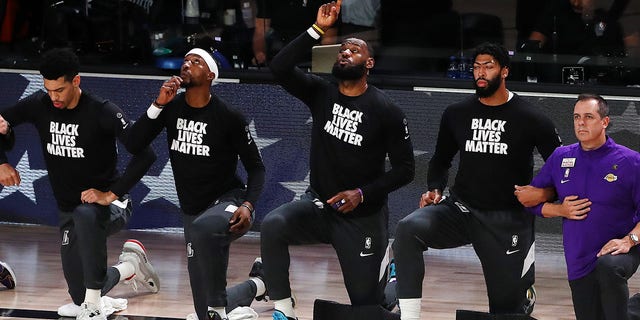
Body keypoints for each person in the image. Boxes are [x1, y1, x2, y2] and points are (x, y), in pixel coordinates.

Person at [260, 1, 415, 319]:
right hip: (319, 206)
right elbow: (279, 68)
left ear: (368, 63)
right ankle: (284, 310)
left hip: (362, 218)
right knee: (274, 225)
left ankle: (395, 277)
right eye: (342, 49)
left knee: (368, 305)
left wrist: (361, 194)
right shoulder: (321, 93)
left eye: (354, 50)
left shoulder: (386, 111)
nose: (345, 52)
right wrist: (317, 29)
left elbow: (405, 170)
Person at [392, 42, 562, 320]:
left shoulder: (532, 118)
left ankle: (522, 290)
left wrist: (544, 193)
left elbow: (564, 167)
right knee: (408, 228)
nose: (480, 73)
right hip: (462, 209)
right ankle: (409, 316)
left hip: (507, 218)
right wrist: (435, 188)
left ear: (504, 71)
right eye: (476, 67)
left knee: (506, 309)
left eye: (488, 66)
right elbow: (441, 159)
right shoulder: (456, 113)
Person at [0, 47, 159, 320]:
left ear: (76, 81)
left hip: (110, 206)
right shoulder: (40, 104)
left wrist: (112, 193)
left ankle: (95, 307)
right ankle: (129, 266)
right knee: (78, 295)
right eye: (49, 90)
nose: (54, 97)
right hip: (69, 211)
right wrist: (1, 162)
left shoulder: (103, 111)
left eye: (59, 90)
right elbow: (1, 122)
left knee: (86, 217)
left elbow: (146, 154)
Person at [125, 48, 266, 320]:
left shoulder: (228, 116)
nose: (187, 64)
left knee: (204, 230)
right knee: (204, 310)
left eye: (196, 61)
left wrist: (248, 205)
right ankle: (260, 283)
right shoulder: (172, 108)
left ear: (211, 74)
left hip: (229, 202)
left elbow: (257, 168)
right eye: (185, 60)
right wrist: (158, 104)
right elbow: (134, 144)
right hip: (193, 211)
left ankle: (219, 313)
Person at [515, 93, 640, 320]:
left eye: (589, 117)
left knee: (608, 268)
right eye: (576, 117)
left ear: (605, 122)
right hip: (579, 258)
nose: (581, 122)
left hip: (621, 250)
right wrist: (560, 210)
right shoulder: (561, 157)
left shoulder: (630, 161)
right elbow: (529, 201)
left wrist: (628, 240)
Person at [251, 0, 337, 66]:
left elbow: (328, 40)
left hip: (311, 53)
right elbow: (261, 30)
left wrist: (322, 66)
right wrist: (260, 53)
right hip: (278, 50)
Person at [527, 0, 627, 57]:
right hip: (561, 73)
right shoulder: (556, 13)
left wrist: (588, 13)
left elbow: (608, 44)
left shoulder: (603, 19)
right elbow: (534, 42)